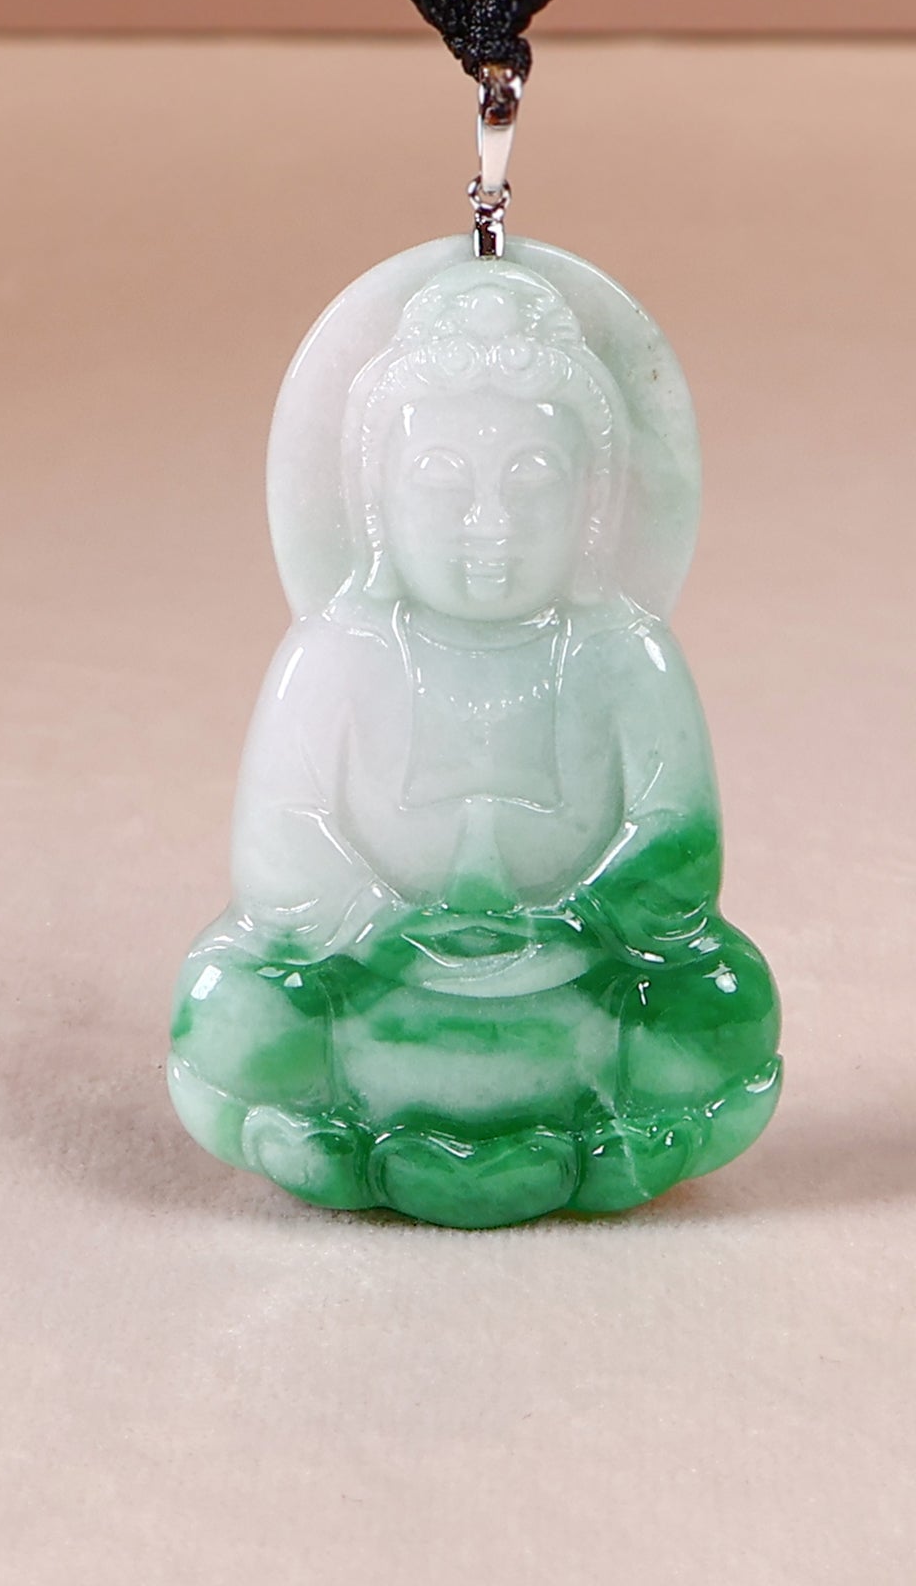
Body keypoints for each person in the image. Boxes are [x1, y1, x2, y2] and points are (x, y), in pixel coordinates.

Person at [169, 262, 778, 1226]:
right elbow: (278, 860)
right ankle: (574, 1143)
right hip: (372, 977)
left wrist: (572, 926)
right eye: (441, 480)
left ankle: (368, 1144)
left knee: (720, 995)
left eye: (532, 481)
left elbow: (677, 860)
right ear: (377, 502)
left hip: (579, 978)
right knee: (235, 1001)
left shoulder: (626, 656)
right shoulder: (336, 655)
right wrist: (386, 926)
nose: (488, 524)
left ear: (593, 505)